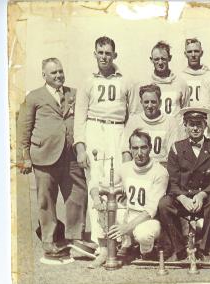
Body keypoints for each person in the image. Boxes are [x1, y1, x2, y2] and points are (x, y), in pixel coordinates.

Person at [19, 58, 87, 258]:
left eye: (60, 71)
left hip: (71, 156)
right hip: (44, 156)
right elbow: (23, 129)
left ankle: (76, 238)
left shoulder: (74, 94)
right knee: (46, 199)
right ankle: (49, 240)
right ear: (44, 76)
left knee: (78, 194)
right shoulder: (33, 97)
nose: (58, 75)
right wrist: (25, 157)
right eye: (53, 73)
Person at [73, 36, 136, 250]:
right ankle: (100, 241)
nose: (104, 57)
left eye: (108, 53)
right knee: (96, 183)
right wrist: (81, 148)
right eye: (100, 53)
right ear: (95, 54)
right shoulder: (88, 82)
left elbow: (132, 116)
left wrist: (127, 147)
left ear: (114, 55)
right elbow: (79, 117)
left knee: (119, 183)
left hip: (117, 130)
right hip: (94, 129)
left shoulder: (125, 81)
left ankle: (121, 238)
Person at [86, 130, 169, 268]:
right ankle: (105, 251)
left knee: (144, 233)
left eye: (143, 147)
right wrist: (96, 199)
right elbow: (97, 184)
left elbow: (150, 210)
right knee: (101, 207)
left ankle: (145, 251)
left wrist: (125, 228)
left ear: (150, 148)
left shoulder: (160, 172)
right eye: (135, 148)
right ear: (130, 149)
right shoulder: (125, 168)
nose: (139, 152)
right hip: (128, 214)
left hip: (149, 220)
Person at [158, 107, 210, 262]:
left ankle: (203, 250)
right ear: (185, 126)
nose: (195, 128)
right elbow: (172, 181)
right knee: (164, 204)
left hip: (205, 197)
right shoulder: (176, 148)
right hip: (183, 198)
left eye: (199, 124)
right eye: (191, 124)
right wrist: (182, 198)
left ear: (205, 126)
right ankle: (179, 249)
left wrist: (202, 195)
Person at [122, 84, 182, 166]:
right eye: (146, 102)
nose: (149, 106)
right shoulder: (133, 121)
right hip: (138, 169)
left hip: (161, 168)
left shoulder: (170, 122)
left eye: (153, 102)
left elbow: (173, 155)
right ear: (141, 103)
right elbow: (126, 152)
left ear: (160, 103)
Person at [134, 41, 189, 122]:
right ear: (151, 60)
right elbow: (139, 113)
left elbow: (186, 113)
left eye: (163, 59)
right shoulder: (145, 84)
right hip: (154, 130)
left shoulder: (180, 83)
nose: (160, 62)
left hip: (175, 131)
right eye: (156, 59)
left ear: (169, 58)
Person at [180, 38, 210, 107]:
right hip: (187, 116)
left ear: (201, 53)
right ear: (185, 54)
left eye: (196, 51)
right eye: (190, 52)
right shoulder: (181, 77)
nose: (193, 55)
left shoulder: (209, 74)